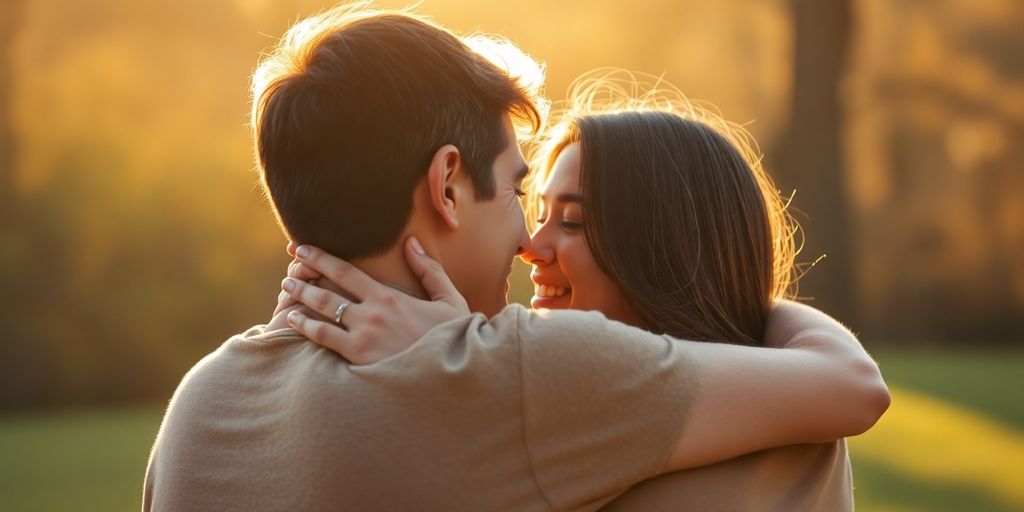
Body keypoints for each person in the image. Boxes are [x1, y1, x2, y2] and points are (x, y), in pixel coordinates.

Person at [144, 5, 889, 512]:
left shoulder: (199, 408)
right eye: (516, 193)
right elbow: (849, 387)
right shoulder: (514, 374)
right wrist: (461, 359)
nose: (527, 243)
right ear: (446, 185)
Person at [281, 74, 876, 510]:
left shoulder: (555, 390)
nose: (530, 246)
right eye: (536, 211)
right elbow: (855, 382)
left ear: (663, 245)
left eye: (572, 221)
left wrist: (467, 357)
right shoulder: (799, 420)